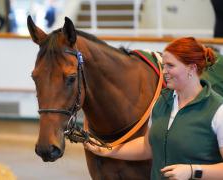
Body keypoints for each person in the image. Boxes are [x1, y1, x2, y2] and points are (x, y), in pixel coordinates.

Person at [84, 37, 223, 180]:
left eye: (170, 66)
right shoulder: (161, 103)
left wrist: (193, 171)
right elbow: (147, 147)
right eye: (164, 66)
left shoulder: (218, 110)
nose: (164, 72)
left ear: (191, 68)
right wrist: (107, 150)